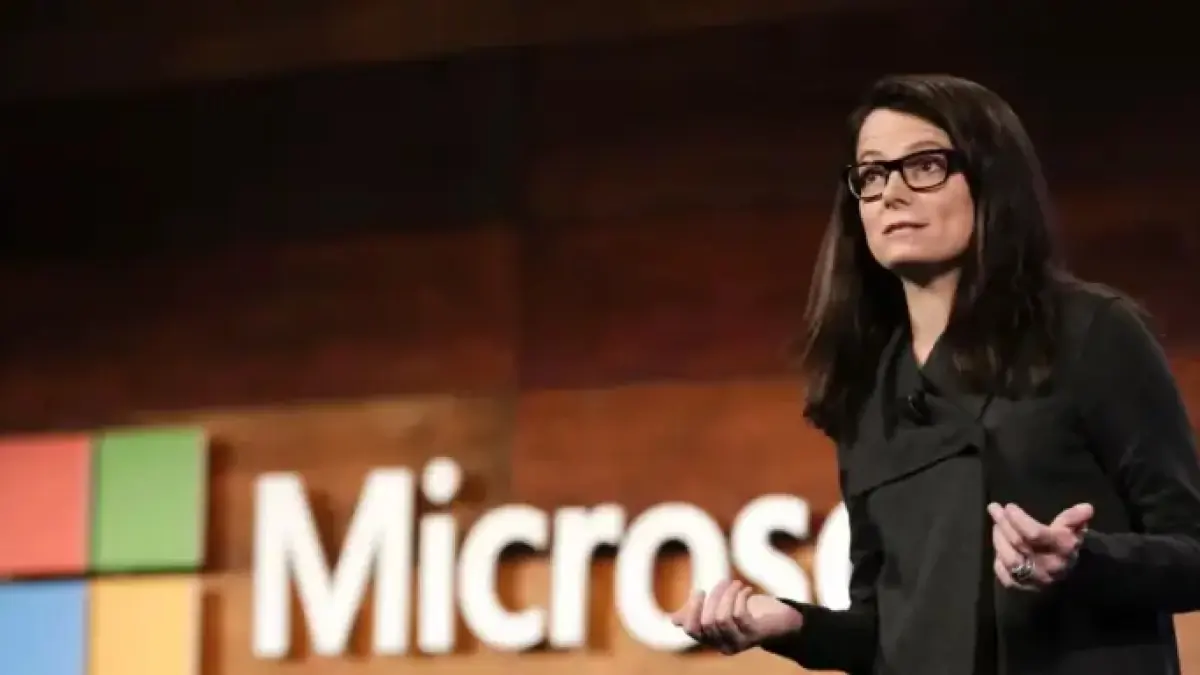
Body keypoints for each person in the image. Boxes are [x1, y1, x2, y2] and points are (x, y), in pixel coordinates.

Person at [670, 73, 1200, 674]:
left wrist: (1083, 562)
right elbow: (888, 632)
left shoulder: (1090, 332)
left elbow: (1192, 551)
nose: (892, 193)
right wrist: (792, 624)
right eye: (872, 174)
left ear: (990, 179)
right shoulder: (869, 390)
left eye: (924, 166)